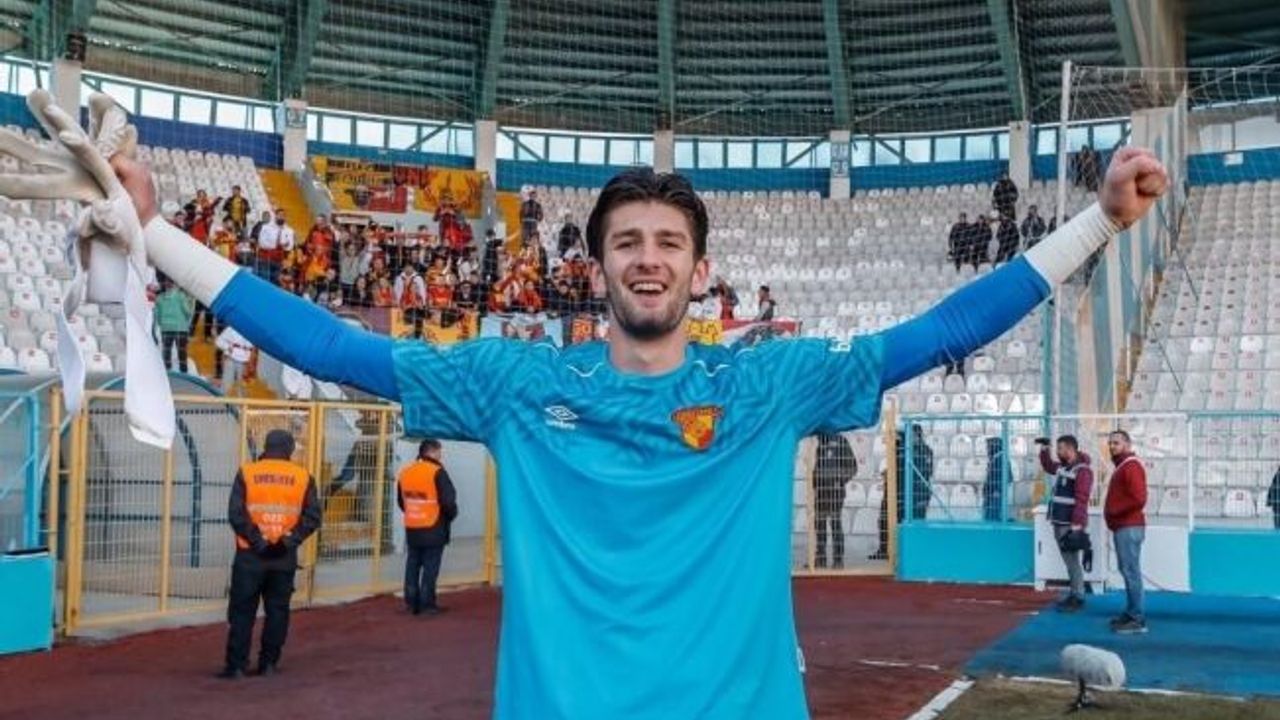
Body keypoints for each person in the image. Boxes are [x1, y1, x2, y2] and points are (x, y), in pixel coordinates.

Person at [84, 135, 1164, 717]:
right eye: (627, 242)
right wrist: (155, 235)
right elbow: (332, 350)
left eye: (667, 243)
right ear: (596, 266)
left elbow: (939, 332)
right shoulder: (514, 384)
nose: (648, 259)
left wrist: (1100, 221)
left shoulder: (769, 383)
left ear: (698, 268)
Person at [220, 429, 321, 678]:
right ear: (290, 450)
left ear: (266, 447)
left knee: (242, 611)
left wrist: (259, 541)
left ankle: (236, 666)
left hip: (250, 556)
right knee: (277, 611)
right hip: (283, 558)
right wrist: (286, 541)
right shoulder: (303, 477)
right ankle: (268, 664)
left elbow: (236, 514)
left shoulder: (247, 473)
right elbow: (312, 518)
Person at [398, 438, 458, 615]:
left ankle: (411, 602)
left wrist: (414, 513)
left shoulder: (406, 472)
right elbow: (448, 501)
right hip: (433, 526)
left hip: (412, 526)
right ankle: (427, 604)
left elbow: (402, 501)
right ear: (432, 452)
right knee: (430, 567)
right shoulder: (437, 472)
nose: (441, 455)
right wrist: (451, 516)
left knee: (413, 564)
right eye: (439, 451)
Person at [1038, 435, 1094, 612]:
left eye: (1060, 449)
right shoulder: (1065, 467)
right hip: (1060, 521)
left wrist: (1077, 525)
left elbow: (1082, 499)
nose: (1057, 452)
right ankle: (1075, 593)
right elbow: (1048, 466)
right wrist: (1044, 449)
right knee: (1069, 561)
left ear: (1070, 449)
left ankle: (1078, 596)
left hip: (1069, 524)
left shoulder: (1082, 471)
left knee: (1072, 562)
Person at [1104, 430, 1147, 634]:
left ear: (1127, 445)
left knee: (1130, 571)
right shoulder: (1124, 466)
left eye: (1117, 443)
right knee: (1128, 570)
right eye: (1110, 443)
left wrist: (1114, 510)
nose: (1112, 446)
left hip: (1128, 526)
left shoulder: (1130, 466)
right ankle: (1132, 612)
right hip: (1125, 526)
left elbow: (1139, 498)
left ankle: (1137, 618)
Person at [812, 432, 855, 569]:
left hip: (835, 491)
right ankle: (820, 558)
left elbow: (852, 467)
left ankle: (838, 560)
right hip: (820, 491)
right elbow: (816, 467)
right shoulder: (819, 442)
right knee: (819, 525)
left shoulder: (841, 441)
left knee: (835, 524)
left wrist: (839, 480)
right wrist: (815, 483)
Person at [154, 278, 194, 372]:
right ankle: (183, 372)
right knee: (182, 352)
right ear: (175, 284)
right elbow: (188, 312)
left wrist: (162, 324)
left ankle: (167, 371)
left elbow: (157, 314)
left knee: (166, 351)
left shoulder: (159, 298)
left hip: (166, 327)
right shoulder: (181, 296)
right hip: (181, 327)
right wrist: (191, 302)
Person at [982, 436, 1012, 521]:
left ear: (995, 446)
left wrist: (997, 490)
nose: (987, 449)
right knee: (989, 515)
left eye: (989, 446)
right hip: (991, 492)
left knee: (992, 516)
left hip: (995, 493)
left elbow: (1007, 476)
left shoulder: (1001, 458)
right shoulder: (996, 458)